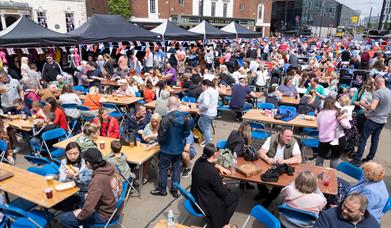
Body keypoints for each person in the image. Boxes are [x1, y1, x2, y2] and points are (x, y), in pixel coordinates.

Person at [60, 148, 123, 228]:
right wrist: (90, 196)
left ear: (88, 163)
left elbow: (88, 209)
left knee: (65, 219)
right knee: (80, 196)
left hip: (105, 215)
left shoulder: (97, 180)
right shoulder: (111, 167)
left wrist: (79, 215)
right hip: (114, 207)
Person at [151, 96, 193, 197]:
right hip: (178, 148)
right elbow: (187, 133)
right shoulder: (184, 118)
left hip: (166, 148)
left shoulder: (165, 119)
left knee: (164, 168)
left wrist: (161, 143)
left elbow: (161, 136)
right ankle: (175, 189)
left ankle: (162, 189)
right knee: (177, 169)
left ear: (168, 105)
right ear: (177, 105)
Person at [190, 143, 239, 228]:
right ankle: (224, 224)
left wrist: (219, 166)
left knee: (228, 194)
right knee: (233, 197)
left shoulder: (199, 160)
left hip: (196, 195)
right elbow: (222, 192)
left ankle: (223, 223)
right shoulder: (212, 172)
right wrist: (222, 184)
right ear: (214, 154)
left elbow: (209, 163)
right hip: (204, 202)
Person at [254, 127, 302, 206]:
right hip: (269, 164)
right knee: (258, 175)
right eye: (287, 136)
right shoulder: (272, 138)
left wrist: (284, 161)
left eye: (291, 136)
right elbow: (260, 152)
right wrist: (267, 158)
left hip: (282, 168)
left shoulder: (293, 142)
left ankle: (269, 199)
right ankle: (264, 193)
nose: (289, 138)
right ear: (281, 135)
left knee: (280, 183)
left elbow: (298, 159)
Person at [351, 77, 391, 166]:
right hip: (383, 120)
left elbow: (372, 107)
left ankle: (357, 159)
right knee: (375, 140)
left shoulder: (378, 93)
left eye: (374, 84)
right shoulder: (389, 91)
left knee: (363, 139)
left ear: (376, 83)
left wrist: (363, 104)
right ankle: (369, 159)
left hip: (374, 120)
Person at [316, 97, 351, 168]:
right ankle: (332, 176)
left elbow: (319, 127)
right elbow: (347, 126)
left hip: (324, 139)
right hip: (338, 139)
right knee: (334, 160)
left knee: (320, 159)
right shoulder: (337, 113)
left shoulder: (320, 114)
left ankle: (318, 176)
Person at [314, 193, 380, 228]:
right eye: (344, 206)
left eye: (350, 210)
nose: (345, 211)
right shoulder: (328, 216)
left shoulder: (373, 224)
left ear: (362, 213)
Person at [197, 79, 219, 145]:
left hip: (207, 113)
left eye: (202, 86)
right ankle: (208, 137)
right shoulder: (214, 91)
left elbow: (206, 105)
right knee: (200, 123)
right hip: (213, 112)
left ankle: (208, 142)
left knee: (205, 127)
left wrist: (200, 111)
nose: (201, 87)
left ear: (205, 85)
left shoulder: (207, 92)